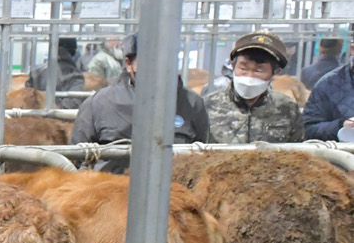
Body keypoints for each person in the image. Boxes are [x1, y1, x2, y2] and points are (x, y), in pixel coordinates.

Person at [71, 33, 209, 174]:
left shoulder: (192, 104)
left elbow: (202, 157)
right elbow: (77, 160)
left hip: (175, 186)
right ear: (129, 64)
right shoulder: (99, 104)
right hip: (115, 186)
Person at [205, 31, 303, 144]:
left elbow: (297, 150)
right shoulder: (207, 106)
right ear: (233, 66)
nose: (249, 77)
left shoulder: (287, 109)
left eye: (259, 70)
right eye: (243, 69)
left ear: (275, 72)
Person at [302, 39, 354, 141]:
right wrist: (342, 125)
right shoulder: (328, 85)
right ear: (353, 49)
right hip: (342, 151)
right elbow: (308, 129)